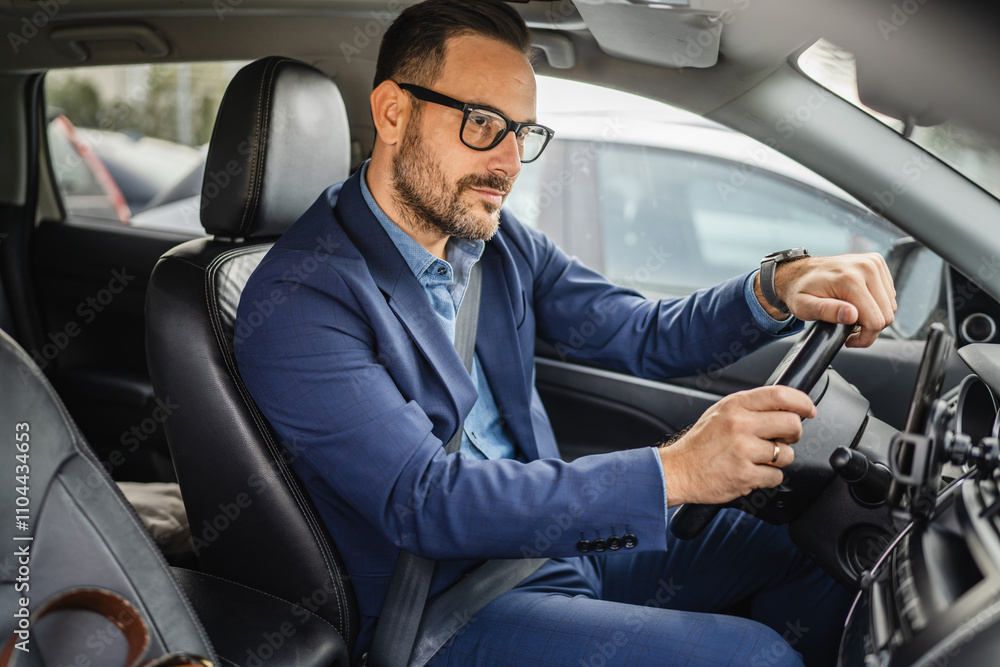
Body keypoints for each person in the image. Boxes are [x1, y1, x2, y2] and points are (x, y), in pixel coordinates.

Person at [234, 1, 896, 664]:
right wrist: (676, 470)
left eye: (522, 132)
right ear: (392, 113)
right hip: (443, 610)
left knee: (824, 546)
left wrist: (776, 286)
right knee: (753, 658)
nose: (509, 161)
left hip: (554, 546)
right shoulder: (301, 298)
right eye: (482, 122)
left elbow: (639, 333)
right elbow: (425, 502)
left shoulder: (493, 244)